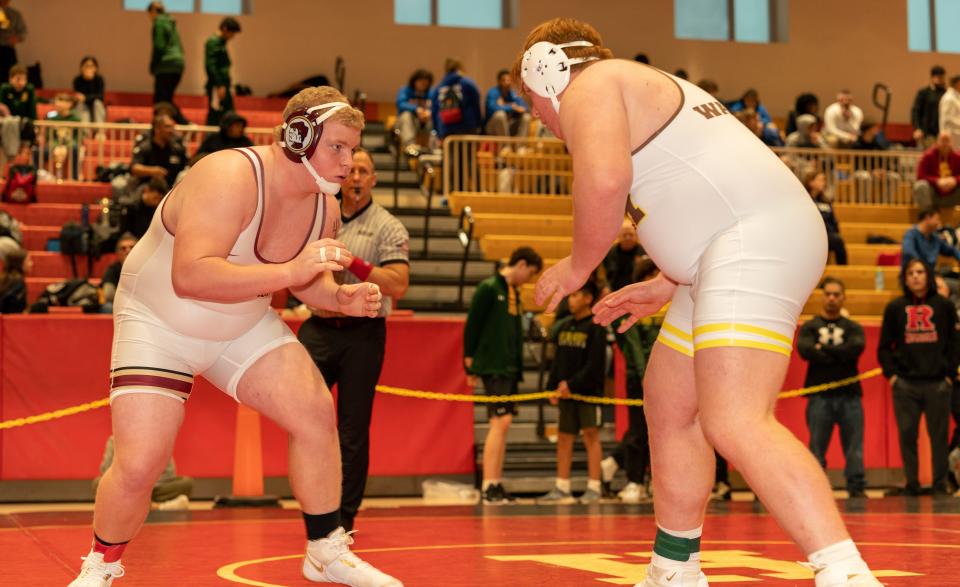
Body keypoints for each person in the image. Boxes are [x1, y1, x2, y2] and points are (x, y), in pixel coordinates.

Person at [516, 17, 881, 586]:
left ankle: (845, 573)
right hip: (728, 249)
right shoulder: (632, 87)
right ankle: (675, 567)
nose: (536, 117)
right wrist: (670, 278)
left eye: (532, 103)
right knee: (668, 400)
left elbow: (607, 182)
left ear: (546, 70)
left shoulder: (590, 87)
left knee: (734, 418)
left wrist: (579, 265)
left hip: (751, 241)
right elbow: (704, 186)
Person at [66, 86, 401, 587]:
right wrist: (293, 269)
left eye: (353, 150)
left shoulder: (324, 209)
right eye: (337, 147)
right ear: (297, 136)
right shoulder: (228, 175)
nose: (348, 163)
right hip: (160, 320)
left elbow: (309, 282)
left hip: (240, 321)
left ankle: (325, 549)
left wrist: (339, 298)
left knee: (313, 412)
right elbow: (192, 277)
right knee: (140, 465)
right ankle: (101, 565)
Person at [297, 148, 410, 532]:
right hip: (318, 327)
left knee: (353, 428)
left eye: (364, 170)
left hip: (362, 333)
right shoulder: (317, 214)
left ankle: (343, 519)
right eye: (352, 170)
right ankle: (313, 507)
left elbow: (398, 284)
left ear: (373, 180)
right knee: (305, 418)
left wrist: (354, 264)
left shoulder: (388, 226)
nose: (357, 176)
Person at [464, 246, 542, 505]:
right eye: (529, 273)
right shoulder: (489, 288)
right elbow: (473, 325)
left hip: (509, 367)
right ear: (520, 265)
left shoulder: (514, 294)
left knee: (504, 424)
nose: (528, 280)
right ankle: (488, 485)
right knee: (500, 422)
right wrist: (470, 363)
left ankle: (496, 482)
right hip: (492, 365)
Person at [877, 258, 959, 496]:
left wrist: (950, 375)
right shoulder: (894, 308)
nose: (915, 276)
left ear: (929, 276)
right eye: (911, 272)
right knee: (907, 436)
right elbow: (884, 347)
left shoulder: (944, 306)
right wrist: (892, 376)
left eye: (920, 272)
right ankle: (911, 484)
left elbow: (955, 343)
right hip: (905, 385)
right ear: (905, 278)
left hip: (938, 384)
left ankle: (939, 484)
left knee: (939, 437)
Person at [537, 280, 608, 505]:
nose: (571, 300)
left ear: (588, 299)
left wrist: (573, 384)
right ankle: (562, 487)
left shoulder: (596, 327)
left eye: (576, 295)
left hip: (586, 393)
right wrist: (552, 387)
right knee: (564, 438)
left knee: (591, 436)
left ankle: (594, 487)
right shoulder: (565, 326)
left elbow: (595, 365)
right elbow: (558, 362)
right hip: (566, 393)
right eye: (570, 295)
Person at [797, 277, 867, 498]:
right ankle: (817, 490)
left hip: (850, 396)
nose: (832, 298)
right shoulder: (810, 327)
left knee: (854, 447)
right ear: (822, 296)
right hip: (819, 396)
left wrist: (823, 350)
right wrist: (839, 353)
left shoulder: (853, 327)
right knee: (816, 447)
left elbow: (855, 348)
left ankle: (856, 488)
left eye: (836, 294)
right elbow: (805, 350)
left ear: (843, 297)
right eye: (828, 294)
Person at [92, 436, 193, 511]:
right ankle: (157, 507)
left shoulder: (159, 440)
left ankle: (133, 507)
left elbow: (170, 473)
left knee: (186, 483)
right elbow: (105, 471)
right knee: (98, 483)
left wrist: (148, 484)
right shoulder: (114, 440)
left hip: (155, 488)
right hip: (126, 489)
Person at [130, 112, 186, 189]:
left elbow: (185, 168)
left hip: (172, 188)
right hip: (148, 188)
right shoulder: (145, 147)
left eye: (173, 127)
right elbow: (135, 168)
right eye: (167, 127)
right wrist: (152, 171)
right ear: (157, 129)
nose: (171, 130)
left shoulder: (177, 149)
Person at [429, 58, 482, 139]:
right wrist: (479, 124)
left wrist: (438, 131)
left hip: (445, 128)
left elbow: (434, 110)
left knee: (450, 151)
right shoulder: (468, 83)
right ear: (460, 68)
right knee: (467, 151)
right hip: (467, 127)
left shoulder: (439, 87)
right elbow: (476, 105)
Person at [805, 169, 848, 265]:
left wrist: (835, 231)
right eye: (820, 180)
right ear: (811, 182)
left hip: (828, 235)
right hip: (811, 236)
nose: (823, 183)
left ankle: (843, 269)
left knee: (838, 240)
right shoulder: (805, 201)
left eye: (824, 180)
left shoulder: (826, 201)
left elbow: (833, 221)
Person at [204, 17, 241, 126]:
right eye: (232, 32)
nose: (232, 36)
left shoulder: (221, 43)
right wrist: (219, 85)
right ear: (225, 29)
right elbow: (211, 66)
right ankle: (210, 141)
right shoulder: (213, 42)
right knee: (216, 114)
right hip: (218, 85)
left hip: (223, 85)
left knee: (225, 114)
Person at [147, 2, 185, 107]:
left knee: (160, 101)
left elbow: (159, 47)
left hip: (166, 64)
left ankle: (184, 123)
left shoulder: (159, 22)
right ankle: (184, 122)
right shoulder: (170, 23)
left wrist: (153, 65)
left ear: (153, 11)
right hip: (178, 63)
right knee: (166, 99)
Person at [900, 207, 960, 273]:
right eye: (937, 219)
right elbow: (909, 253)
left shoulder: (935, 238)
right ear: (928, 217)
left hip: (931, 276)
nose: (938, 223)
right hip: (916, 275)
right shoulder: (911, 235)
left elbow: (952, 250)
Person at [913, 131, 960, 211]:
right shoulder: (928, 156)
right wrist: (937, 181)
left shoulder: (958, 157)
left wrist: (955, 180)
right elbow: (920, 175)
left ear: (951, 142)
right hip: (933, 195)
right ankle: (929, 217)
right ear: (937, 142)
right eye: (942, 140)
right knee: (920, 186)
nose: (945, 144)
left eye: (947, 140)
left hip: (953, 195)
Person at [394, 69, 433, 156]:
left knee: (433, 117)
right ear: (415, 81)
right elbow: (400, 104)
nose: (423, 84)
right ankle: (409, 145)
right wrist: (416, 109)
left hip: (424, 124)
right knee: (406, 115)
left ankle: (431, 146)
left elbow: (435, 106)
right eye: (421, 81)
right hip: (406, 123)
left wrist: (428, 113)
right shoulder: (405, 90)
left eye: (425, 82)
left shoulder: (431, 93)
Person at [485, 69, 531, 138]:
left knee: (526, 117)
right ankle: (506, 146)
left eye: (509, 80)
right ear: (499, 81)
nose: (507, 82)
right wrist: (511, 106)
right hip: (492, 126)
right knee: (500, 115)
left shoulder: (513, 94)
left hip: (509, 125)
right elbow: (492, 108)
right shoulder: (492, 92)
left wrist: (505, 105)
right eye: (504, 80)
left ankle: (520, 146)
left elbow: (525, 108)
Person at [101, 233, 138, 309]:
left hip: (142, 307)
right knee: (107, 307)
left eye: (132, 247)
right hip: (121, 306)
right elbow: (109, 294)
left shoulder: (146, 268)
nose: (128, 251)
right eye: (123, 248)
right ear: (117, 253)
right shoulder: (112, 270)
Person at [912, 65, 947, 148]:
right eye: (938, 77)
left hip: (941, 133)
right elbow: (916, 111)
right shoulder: (924, 93)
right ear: (932, 77)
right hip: (927, 133)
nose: (940, 79)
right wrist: (917, 128)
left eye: (942, 77)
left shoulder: (945, 93)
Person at [73, 56, 107, 124]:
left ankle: (100, 132)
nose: (88, 68)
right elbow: (80, 97)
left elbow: (100, 96)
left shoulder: (99, 79)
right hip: (83, 108)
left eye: (91, 66)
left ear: (95, 68)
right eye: (86, 66)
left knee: (97, 103)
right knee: (80, 105)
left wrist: (90, 81)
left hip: (96, 108)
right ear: (81, 67)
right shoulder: (77, 80)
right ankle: (84, 133)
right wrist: (87, 80)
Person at [0, 0, 25, 84]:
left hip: (8, 51)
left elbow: (22, 32)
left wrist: (16, 38)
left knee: (12, 78)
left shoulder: (15, 14)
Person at [0, 245, 27, 313]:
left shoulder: (3, 278)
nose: (32, 264)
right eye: (29, 261)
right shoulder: (18, 283)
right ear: (21, 264)